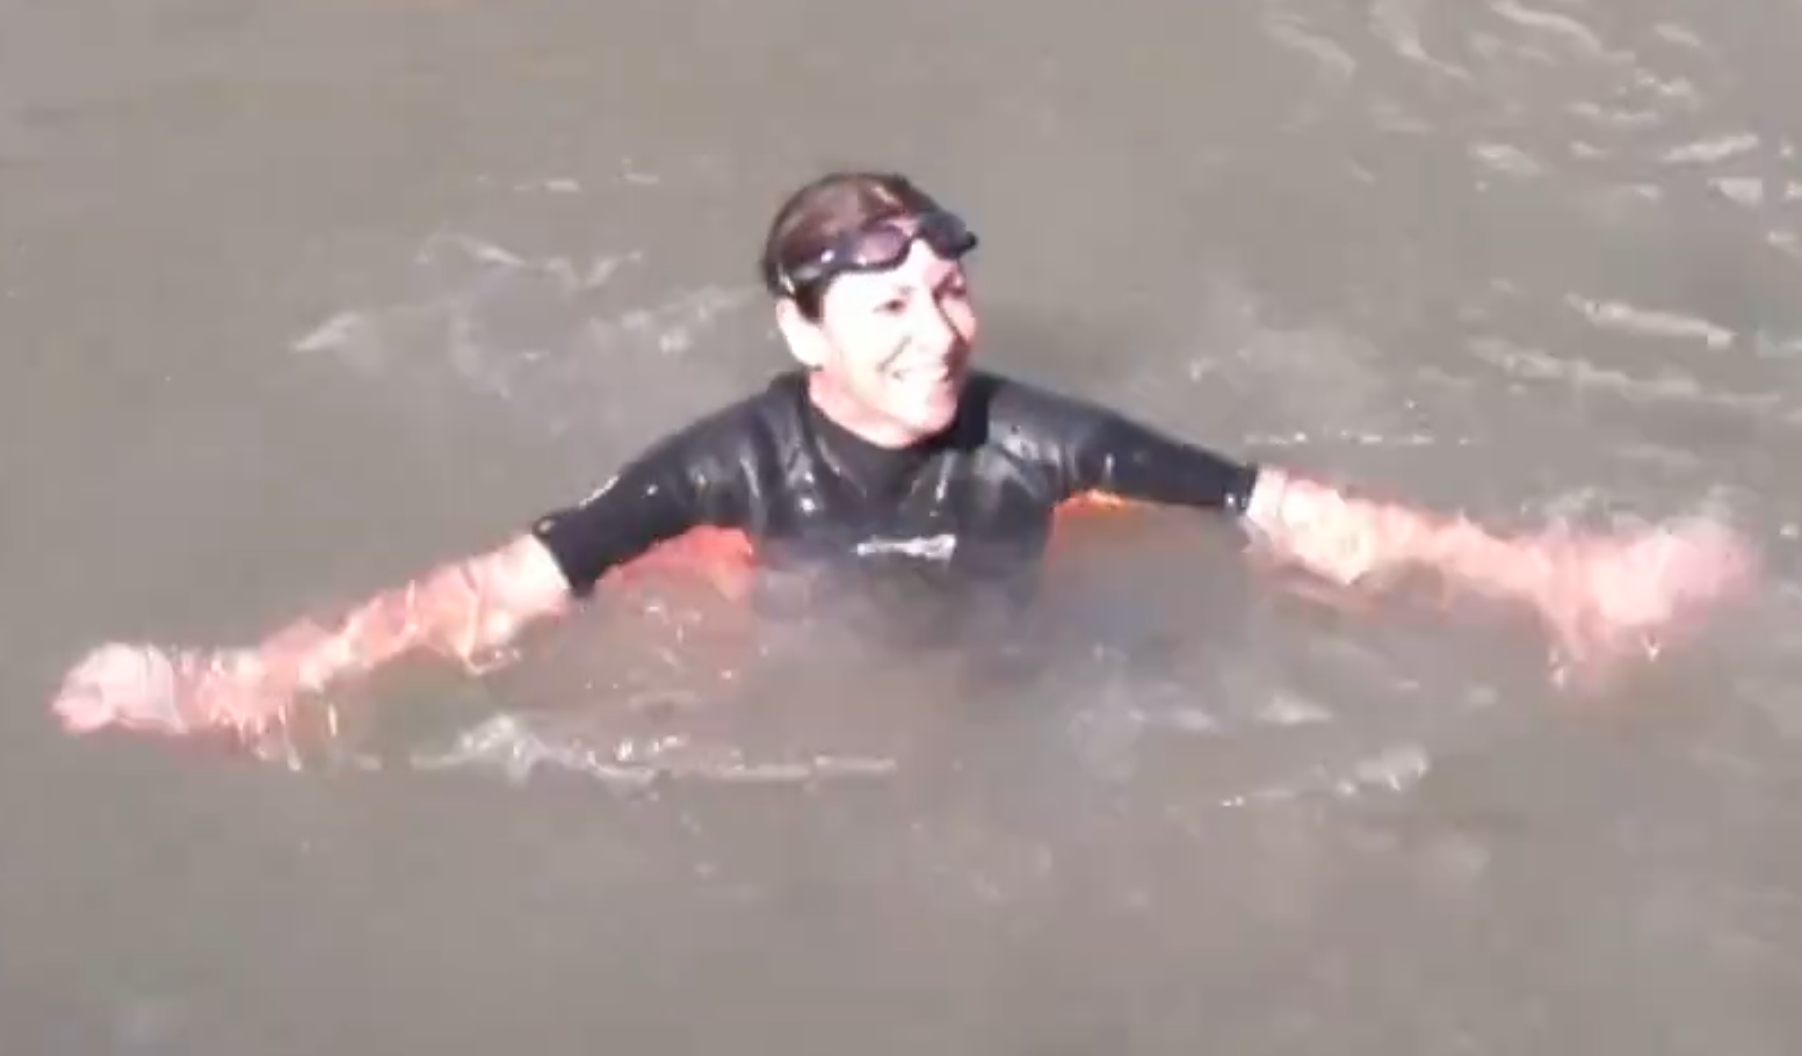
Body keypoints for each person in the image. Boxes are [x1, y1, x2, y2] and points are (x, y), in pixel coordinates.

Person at [51, 170, 1756, 745]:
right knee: (675, 617)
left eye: (949, 292)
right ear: (800, 333)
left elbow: (1293, 510)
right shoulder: (720, 466)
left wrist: (1560, 577)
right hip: (785, 612)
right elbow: (504, 582)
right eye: (885, 308)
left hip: (1011, 635)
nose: (935, 334)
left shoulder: (1042, 439)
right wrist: (256, 685)